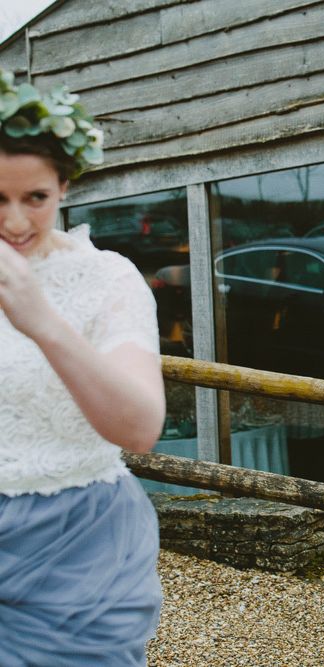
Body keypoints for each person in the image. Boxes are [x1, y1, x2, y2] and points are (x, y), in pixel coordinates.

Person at [0, 70, 164, 664]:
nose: (15, 222)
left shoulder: (106, 277)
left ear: (64, 187)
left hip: (78, 548)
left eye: (34, 198)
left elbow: (140, 427)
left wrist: (41, 321)